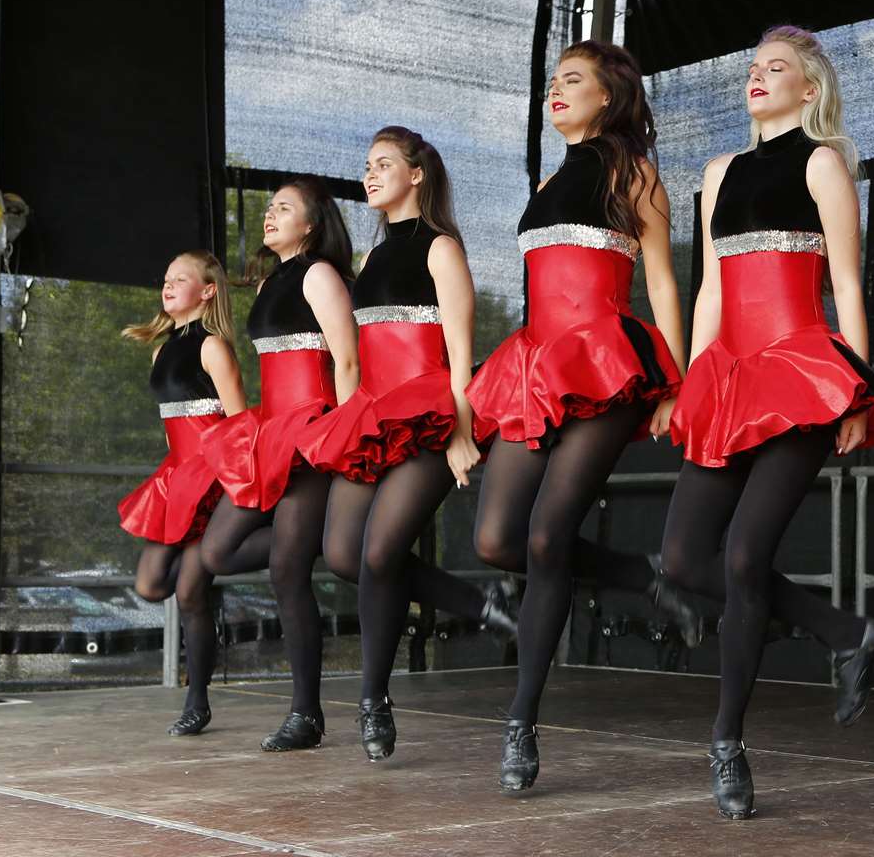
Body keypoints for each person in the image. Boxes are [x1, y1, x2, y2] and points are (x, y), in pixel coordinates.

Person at [663, 26, 874, 820]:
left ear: (810, 90)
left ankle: (727, 740)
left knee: (741, 559)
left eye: (778, 68)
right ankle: (846, 631)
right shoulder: (719, 171)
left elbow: (846, 284)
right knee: (683, 559)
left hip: (801, 374)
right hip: (726, 376)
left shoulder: (822, 161)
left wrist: (859, 396)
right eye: (752, 66)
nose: (758, 78)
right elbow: (707, 291)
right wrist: (697, 380)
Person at [466, 41, 689, 794]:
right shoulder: (547, 178)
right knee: (498, 540)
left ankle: (522, 723)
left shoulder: (636, 175)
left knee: (545, 537)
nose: (555, 92)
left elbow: (662, 281)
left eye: (573, 82)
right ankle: (640, 575)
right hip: (534, 364)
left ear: (609, 96)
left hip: (606, 360)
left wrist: (673, 382)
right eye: (552, 83)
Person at [298, 126, 512, 762]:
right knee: (341, 554)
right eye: (366, 165)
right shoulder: (368, 262)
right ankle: (473, 600)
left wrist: (461, 429)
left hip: (427, 409)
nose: (369, 174)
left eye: (383, 164)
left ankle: (373, 698)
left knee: (382, 551)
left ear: (416, 175)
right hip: (373, 411)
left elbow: (460, 352)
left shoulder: (440, 248)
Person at [198, 178, 359, 751]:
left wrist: (342, 441)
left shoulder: (319, 273)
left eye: (284, 208)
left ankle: (306, 715)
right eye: (269, 207)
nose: (270, 215)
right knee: (216, 550)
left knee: (287, 572)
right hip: (271, 433)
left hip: (314, 431)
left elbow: (346, 358)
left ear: (312, 224)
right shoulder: (272, 280)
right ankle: (311, 536)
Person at [118, 250, 246, 735]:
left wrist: (234, 485)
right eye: (165, 279)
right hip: (177, 478)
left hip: (212, 477)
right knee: (151, 584)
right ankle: (205, 625)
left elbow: (238, 425)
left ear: (208, 290)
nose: (167, 286)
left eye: (180, 279)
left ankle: (198, 701)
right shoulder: (161, 346)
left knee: (191, 591)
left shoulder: (212, 346)